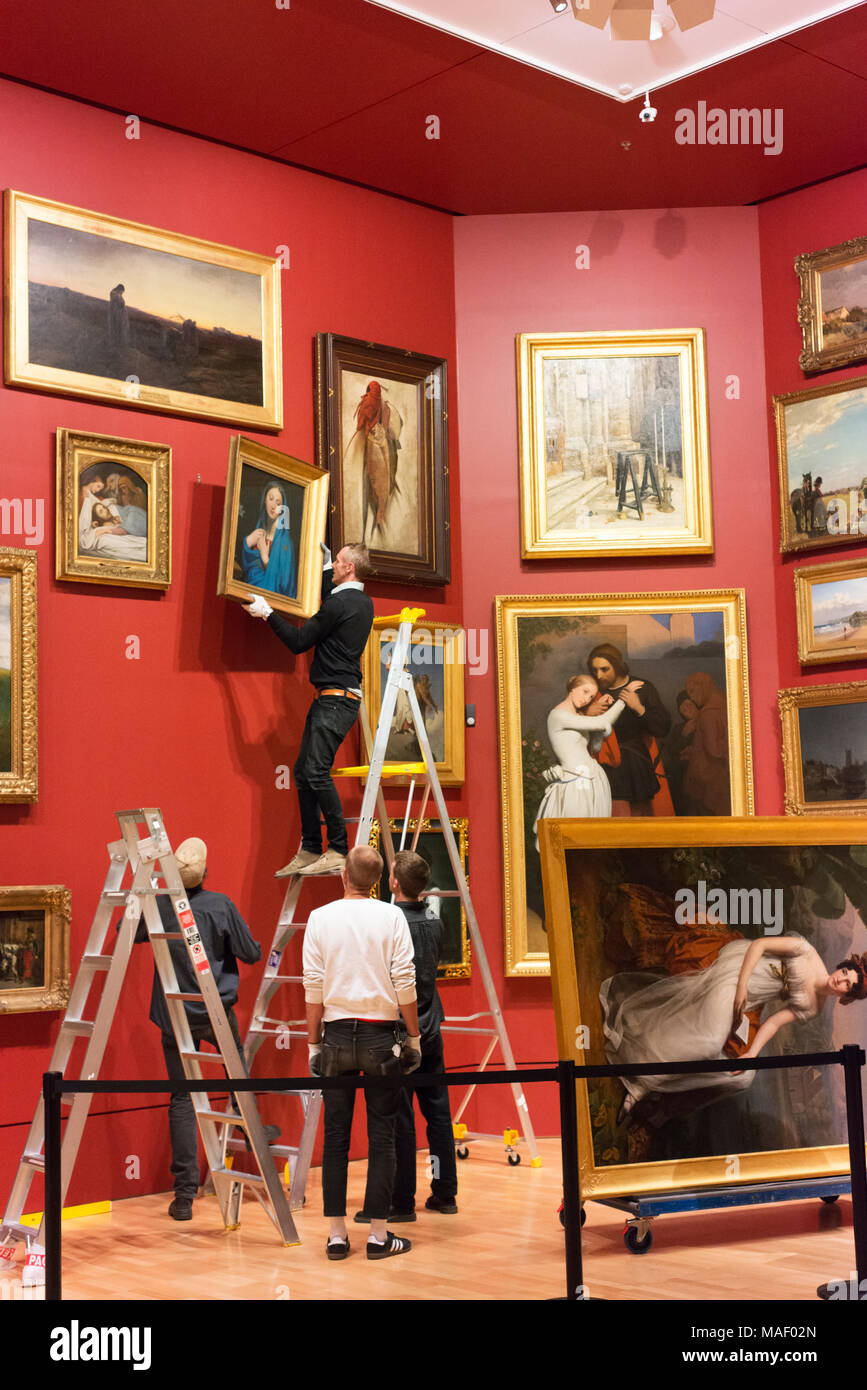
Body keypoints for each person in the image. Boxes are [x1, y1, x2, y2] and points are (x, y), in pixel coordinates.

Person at [134, 837, 278, 1221]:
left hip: (173, 1014)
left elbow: (129, 931)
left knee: (181, 1099)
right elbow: (251, 953)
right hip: (214, 1010)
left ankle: (183, 1197)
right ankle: (252, 1135)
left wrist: (150, 898)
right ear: (206, 873)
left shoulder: (161, 906)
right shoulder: (219, 904)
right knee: (237, 1078)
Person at [603, 933, 867, 1127]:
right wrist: (742, 985)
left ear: (847, 996)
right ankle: (640, 1085)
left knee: (743, 1077)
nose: (840, 979)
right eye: (844, 972)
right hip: (737, 973)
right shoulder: (805, 951)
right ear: (842, 966)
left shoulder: (813, 1008)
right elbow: (759, 944)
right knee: (709, 1043)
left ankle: (656, 1086)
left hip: (747, 1004)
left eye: (847, 984)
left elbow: (773, 1023)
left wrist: (752, 1053)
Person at [302, 845, 421, 1261]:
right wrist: (414, 1036)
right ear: (378, 881)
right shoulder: (390, 916)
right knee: (382, 1136)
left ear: (343, 876)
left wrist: (313, 1041)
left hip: (334, 1032)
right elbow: (405, 981)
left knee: (335, 1137)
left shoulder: (320, 918)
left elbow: (313, 987)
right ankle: (377, 1235)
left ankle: (336, 1236)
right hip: (380, 1033)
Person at [244, 542, 374, 878]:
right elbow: (331, 603)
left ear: (350, 569)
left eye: (339, 561)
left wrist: (267, 613)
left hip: (335, 699)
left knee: (314, 772)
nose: (335, 564)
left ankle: (339, 848)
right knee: (304, 771)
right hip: (337, 698)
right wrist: (325, 566)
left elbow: (299, 642)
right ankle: (311, 847)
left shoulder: (341, 602)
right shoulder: (360, 602)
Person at [354, 849, 458, 1225]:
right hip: (431, 1027)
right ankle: (445, 1193)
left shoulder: (390, 924)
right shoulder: (434, 921)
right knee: (438, 1112)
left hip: (401, 1029)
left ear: (394, 882)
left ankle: (402, 1201)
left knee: (399, 1115)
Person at [533, 674, 627, 846]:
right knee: (572, 839)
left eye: (591, 696)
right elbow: (603, 724)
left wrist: (599, 733)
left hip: (593, 781)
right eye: (585, 692)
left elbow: (597, 745)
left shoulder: (578, 717)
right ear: (572, 688)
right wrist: (622, 702)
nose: (586, 699)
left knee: (593, 840)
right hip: (574, 784)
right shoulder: (558, 715)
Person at [587, 643, 672, 816]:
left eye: (604, 669)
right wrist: (587, 714)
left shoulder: (643, 688)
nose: (598, 675)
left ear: (617, 666)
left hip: (635, 763)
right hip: (605, 763)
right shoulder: (591, 692)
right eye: (595, 670)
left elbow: (662, 728)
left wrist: (639, 707)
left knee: (641, 821)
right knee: (612, 819)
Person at [241, 478, 296, 598]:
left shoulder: (285, 543)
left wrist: (265, 556)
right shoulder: (259, 530)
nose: (273, 506)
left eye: (278, 503)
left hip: (267, 598)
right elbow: (247, 567)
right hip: (249, 591)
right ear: (264, 500)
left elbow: (284, 583)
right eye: (271, 499)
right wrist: (247, 542)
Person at [78, 489, 147, 562]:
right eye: (101, 511)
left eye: (104, 507)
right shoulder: (100, 530)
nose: (105, 510)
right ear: (98, 519)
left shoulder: (115, 517)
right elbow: (88, 540)